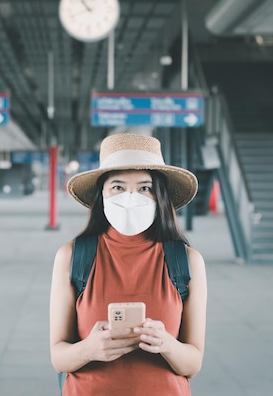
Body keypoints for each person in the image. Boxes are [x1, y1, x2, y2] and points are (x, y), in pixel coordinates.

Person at [49, 133, 207, 396]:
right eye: (118, 187)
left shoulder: (187, 261)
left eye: (145, 188)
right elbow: (58, 356)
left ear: (160, 196)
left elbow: (193, 363)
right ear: (102, 195)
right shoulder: (72, 256)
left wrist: (166, 343)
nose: (131, 197)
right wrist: (89, 348)